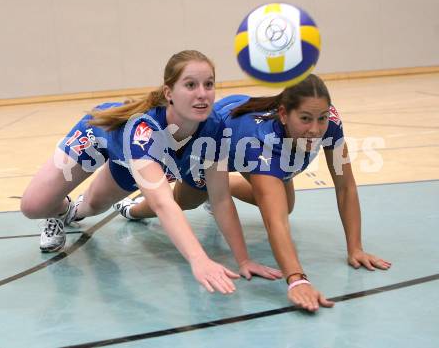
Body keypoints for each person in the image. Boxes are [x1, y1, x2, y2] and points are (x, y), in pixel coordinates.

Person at [117, 74, 391, 311]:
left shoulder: (329, 122)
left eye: (321, 119)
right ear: (284, 115)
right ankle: (134, 208)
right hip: (215, 142)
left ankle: (217, 193)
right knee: (184, 201)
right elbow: (275, 223)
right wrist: (297, 279)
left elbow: (345, 186)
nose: (315, 129)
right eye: (305, 119)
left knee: (287, 204)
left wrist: (355, 247)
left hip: (254, 138)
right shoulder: (261, 146)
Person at [20, 50, 281, 295]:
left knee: (91, 207)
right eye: (190, 85)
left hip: (129, 161)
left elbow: (221, 198)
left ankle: (68, 210)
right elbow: (162, 203)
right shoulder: (145, 129)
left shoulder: (214, 127)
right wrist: (199, 259)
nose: (202, 94)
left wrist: (244, 259)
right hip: (98, 136)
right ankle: (55, 209)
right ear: (169, 92)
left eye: (209, 84)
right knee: (33, 206)